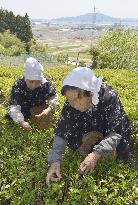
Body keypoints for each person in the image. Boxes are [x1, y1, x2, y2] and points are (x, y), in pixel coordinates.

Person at [46, 67, 130, 186]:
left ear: (90, 93)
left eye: (77, 100)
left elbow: (116, 131)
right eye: (70, 100)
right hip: (88, 125)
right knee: (81, 145)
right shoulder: (71, 103)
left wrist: (95, 155)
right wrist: (55, 160)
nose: (73, 105)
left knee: (118, 158)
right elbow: (61, 131)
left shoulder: (108, 96)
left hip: (111, 130)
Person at [8, 57, 58, 130]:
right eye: (31, 81)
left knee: (45, 126)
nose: (34, 85)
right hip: (22, 111)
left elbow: (53, 96)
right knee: (19, 126)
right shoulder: (18, 85)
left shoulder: (45, 84)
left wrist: (49, 109)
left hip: (38, 111)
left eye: (37, 82)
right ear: (26, 78)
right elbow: (14, 107)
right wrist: (22, 122)